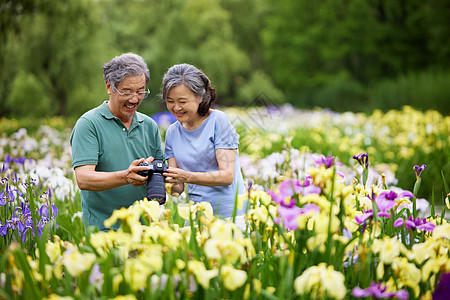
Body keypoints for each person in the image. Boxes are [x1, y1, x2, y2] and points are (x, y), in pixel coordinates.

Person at [70, 53, 164, 231]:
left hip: (144, 231)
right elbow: (84, 179)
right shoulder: (89, 124)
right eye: (127, 92)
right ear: (109, 87)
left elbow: (159, 175)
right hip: (103, 233)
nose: (134, 99)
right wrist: (126, 177)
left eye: (140, 91)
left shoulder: (149, 126)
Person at [161, 63, 246, 218]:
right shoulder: (172, 132)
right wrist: (157, 176)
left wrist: (187, 176)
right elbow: (177, 188)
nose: (176, 107)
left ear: (200, 97)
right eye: (170, 101)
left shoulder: (218, 121)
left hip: (230, 214)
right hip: (197, 214)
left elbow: (227, 176)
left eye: (182, 101)